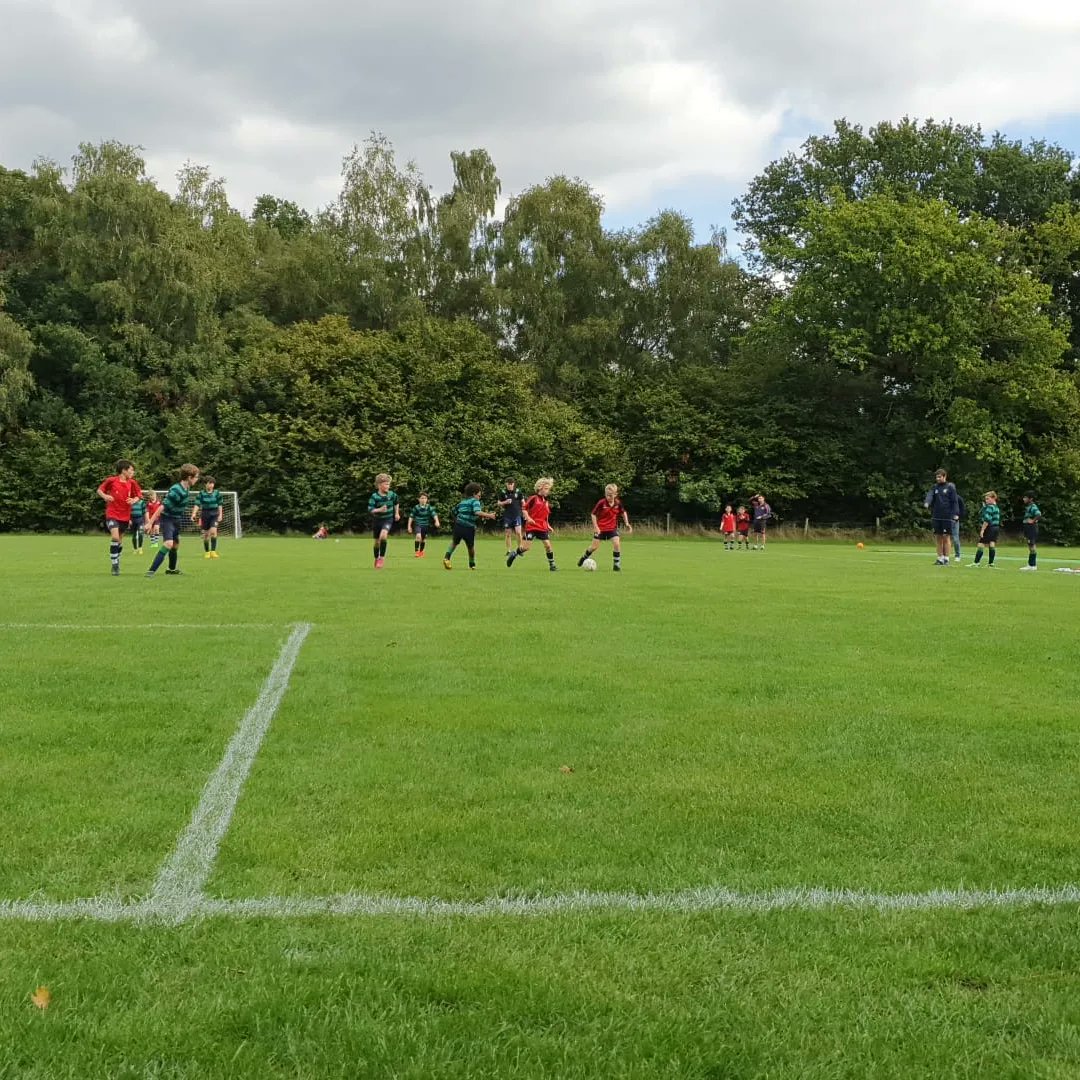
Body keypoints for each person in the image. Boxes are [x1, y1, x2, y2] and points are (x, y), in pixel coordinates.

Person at [146, 464, 199, 578]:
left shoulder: (186, 488)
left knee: (175, 545)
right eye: (196, 477)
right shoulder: (176, 490)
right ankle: (151, 571)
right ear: (189, 477)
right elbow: (161, 507)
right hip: (168, 519)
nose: (197, 479)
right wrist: (150, 523)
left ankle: (171, 569)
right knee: (168, 543)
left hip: (176, 519)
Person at [97, 459, 141, 576]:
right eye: (131, 470)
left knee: (119, 541)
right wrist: (105, 496)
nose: (133, 472)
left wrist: (133, 500)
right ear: (124, 470)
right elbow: (99, 490)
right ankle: (115, 565)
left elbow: (139, 495)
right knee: (115, 537)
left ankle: (116, 560)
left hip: (125, 516)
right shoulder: (111, 480)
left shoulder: (132, 483)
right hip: (112, 514)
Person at [577, 484, 632, 571]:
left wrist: (627, 523)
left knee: (617, 544)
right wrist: (596, 527)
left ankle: (616, 565)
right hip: (601, 529)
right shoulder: (601, 503)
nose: (609, 497)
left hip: (612, 529)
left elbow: (623, 512)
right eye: (607, 495)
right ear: (605, 494)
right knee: (594, 547)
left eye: (611, 495)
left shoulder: (618, 503)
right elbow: (593, 514)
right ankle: (583, 558)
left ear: (615, 494)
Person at [507, 477, 558, 571]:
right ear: (540, 488)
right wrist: (528, 518)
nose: (548, 491)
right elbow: (524, 509)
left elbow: (545, 516)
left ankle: (552, 565)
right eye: (546, 488)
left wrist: (548, 525)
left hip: (542, 527)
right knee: (526, 548)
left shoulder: (546, 502)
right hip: (531, 526)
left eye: (548, 489)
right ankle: (514, 554)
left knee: (548, 545)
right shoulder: (533, 498)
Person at [442, 483, 495, 570]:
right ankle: (472, 564)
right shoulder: (475, 501)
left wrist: (457, 520)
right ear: (474, 494)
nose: (479, 497)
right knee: (470, 547)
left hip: (458, 525)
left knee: (454, 542)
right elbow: (477, 512)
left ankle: (446, 558)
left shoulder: (462, 502)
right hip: (468, 527)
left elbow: (453, 511)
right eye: (479, 495)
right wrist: (490, 515)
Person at [924, 469, 960, 566]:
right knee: (938, 537)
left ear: (945, 477)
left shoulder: (950, 487)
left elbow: (955, 501)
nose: (938, 479)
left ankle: (946, 559)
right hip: (936, 516)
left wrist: (956, 514)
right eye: (937, 477)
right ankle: (940, 558)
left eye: (940, 477)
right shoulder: (935, 487)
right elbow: (930, 495)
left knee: (946, 537)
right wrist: (927, 502)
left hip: (947, 516)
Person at [368, 473, 400, 569]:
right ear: (379, 485)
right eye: (386, 484)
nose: (388, 486)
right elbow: (370, 509)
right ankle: (376, 558)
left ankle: (381, 558)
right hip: (377, 521)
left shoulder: (392, 495)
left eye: (389, 484)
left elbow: (396, 503)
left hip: (388, 519)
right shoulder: (374, 496)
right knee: (377, 542)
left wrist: (397, 513)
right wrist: (379, 510)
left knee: (383, 536)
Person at [193, 475, 223, 559]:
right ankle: (207, 552)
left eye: (212, 483)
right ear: (205, 484)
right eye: (209, 483)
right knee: (206, 535)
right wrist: (194, 513)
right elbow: (197, 504)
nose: (211, 485)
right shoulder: (201, 493)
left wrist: (220, 514)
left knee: (213, 532)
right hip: (205, 514)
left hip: (214, 513)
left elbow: (220, 504)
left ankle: (213, 551)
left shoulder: (217, 493)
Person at [970, 491, 1000, 567]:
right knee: (992, 543)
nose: (986, 500)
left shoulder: (989, 507)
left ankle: (976, 562)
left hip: (989, 527)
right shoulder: (996, 507)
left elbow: (987, 519)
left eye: (987, 499)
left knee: (981, 544)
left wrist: (982, 529)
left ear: (993, 498)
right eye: (985, 499)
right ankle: (991, 563)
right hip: (996, 527)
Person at [497, 479, 526, 554]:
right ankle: (509, 550)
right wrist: (505, 502)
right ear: (506, 484)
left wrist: (524, 508)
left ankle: (520, 549)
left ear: (513, 484)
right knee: (508, 534)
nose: (510, 485)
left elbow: (523, 502)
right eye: (508, 484)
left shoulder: (518, 491)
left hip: (517, 515)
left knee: (518, 533)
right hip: (507, 516)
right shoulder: (503, 492)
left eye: (511, 484)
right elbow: (499, 503)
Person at [407, 494, 440, 558]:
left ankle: (421, 552)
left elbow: (434, 514)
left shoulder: (429, 507)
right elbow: (411, 517)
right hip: (418, 524)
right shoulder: (416, 507)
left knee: (423, 539)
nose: (423, 500)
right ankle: (416, 551)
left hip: (425, 525)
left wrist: (437, 521)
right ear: (419, 499)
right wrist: (409, 526)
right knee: (418, 536)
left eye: (425, 498)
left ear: (427, 500)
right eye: (422, 498)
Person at [1019, 491, 1042, 571]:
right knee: (1030, 545)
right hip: (1028, 527)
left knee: (1032, 545)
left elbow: (1038, 514)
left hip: (1031, 527)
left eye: (1025, 497)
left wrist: (1033, 521)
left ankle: (1032, 565)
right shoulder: (1028, 506)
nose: (1023, 499)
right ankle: (1031, 564)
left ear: (1030, 499)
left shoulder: (1033, 506)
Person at [951, 491, 967, 563]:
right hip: (945, 520)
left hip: (954, 521)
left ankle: (957, 555)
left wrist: (958, 516)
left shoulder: (958, 498)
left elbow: (963, 509)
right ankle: (943, 556)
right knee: (944, 538)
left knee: (955, 539)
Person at [129, 491, 147, 555]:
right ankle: (135, 549)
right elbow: (127, 512)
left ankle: (140, 548)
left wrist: (147, 522)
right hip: (133, 520)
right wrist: (129, 520)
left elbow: (145, 512)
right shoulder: (130, 502)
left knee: (140, 534)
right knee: (134, 536)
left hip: (140, 520)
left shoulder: (142, 502)